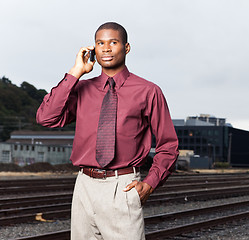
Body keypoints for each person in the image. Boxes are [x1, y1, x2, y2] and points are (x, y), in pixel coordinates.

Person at [36, 22, 179, 240]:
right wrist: (75, 73)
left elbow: (168, 145)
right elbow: (46, 118)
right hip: (84, 186)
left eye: (113, 42)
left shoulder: (148, 91)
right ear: (94, 49)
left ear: (126, 47)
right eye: (100, 43)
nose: (106, 48)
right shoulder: (82, 89)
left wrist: (150, 184)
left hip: (122, 187)